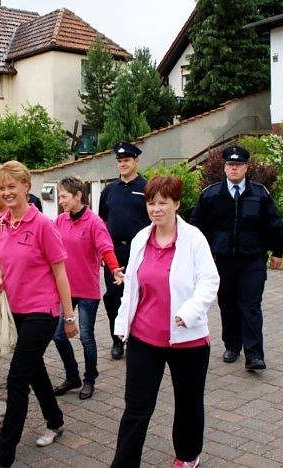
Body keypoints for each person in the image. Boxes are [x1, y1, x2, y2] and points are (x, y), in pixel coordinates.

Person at [111, 175, 219, 468]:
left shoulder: (194, 239)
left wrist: (190, 312)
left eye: (163, 203)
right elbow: (131, 288)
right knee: (136, 407)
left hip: (188, 340)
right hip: (145, 338)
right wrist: (122, 325)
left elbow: (210, 281)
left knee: (188, 403)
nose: (156, 209)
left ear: (176, 204)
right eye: (151, 203)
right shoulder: (140, 240)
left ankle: (187, 455)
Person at [0, 161, 77, 468]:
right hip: (15, 311)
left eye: (12, 186)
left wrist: (68, 317)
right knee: (34, 370)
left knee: (16, 379)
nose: (7, 192)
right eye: (2, 188)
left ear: (27, 186)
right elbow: (2, 262)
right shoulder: (2, 223)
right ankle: (55, 420)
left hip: (43, 311)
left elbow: (60, 272)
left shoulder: (42, 225)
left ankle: (3, 457)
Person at [189, 145, 283, 371]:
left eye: (239, 165)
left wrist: (278, 251)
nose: (234, 169)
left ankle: (254, 354)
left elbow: (274, 224)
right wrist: (195, 256)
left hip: (252, 259)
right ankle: (232, 346)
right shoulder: (211, 194)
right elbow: (197, 227)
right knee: (228, 304)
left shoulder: (260, 193)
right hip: (222, 261)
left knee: (250, 305)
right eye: (231, 165)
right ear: (224, 168)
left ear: (246, 167)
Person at [52, 176, 122, 400]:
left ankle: (90, 378)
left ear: (78, 195)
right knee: (59, 335)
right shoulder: (60, 220)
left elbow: (106, 248)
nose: (61, 200)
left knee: (86, 337)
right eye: (60, 196)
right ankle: (72, 376)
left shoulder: (94, 222)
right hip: (65, 289)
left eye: (64, 196)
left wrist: (115, 270)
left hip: (87, 290)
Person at [98, 141, 150, 360]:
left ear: (136, 161)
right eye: (119, 161)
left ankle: (140, 338)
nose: (123, 164)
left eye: (127, 160)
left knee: (141, 297)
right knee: (113, 297)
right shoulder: (109, 190)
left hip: (140, 253)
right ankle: (117, 339)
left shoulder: (147, 188)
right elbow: (101, 222)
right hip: (114, 255)